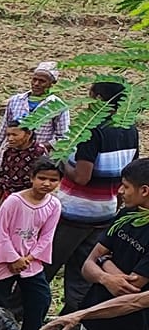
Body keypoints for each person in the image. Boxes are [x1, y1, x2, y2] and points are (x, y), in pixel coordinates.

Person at [55, 79, 137, 314]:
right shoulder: (129, 128)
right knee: (82, 267)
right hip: (106, 209)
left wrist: (60, 160)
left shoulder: (92, 130)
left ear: (100, 100)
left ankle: (18, 312)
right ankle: (74, 314)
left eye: (90, 97)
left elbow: (82, 176)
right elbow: (131, 170)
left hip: (75, 211)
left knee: (47, 263)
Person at [71, 157, 149, 330]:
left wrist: (103, 263)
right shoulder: (126, 215)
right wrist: (105, 274)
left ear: (144, 190)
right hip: (93, 320)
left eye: (125, 186)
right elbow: (88, 263)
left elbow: (131, 287)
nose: (120, 192)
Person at [0, 158, 64, 330]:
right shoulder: (13, 202)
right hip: (3, 261)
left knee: (40, 299)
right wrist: (13, 258)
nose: (46, 183)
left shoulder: (54, 205)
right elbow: (1, 233)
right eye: (42, 178)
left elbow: (47, 236)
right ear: (31, 178)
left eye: (53, 180)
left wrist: (29, 257)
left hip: (30, 263)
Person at [0, 60, 71, 175]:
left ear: (52, 84)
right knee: (0, 184)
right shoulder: (16, 100)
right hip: (11, 153)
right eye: (34, 79)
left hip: (37, 158)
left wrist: (38, 147)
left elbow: (63, 137)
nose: (36, 84)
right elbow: (4, 126)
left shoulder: (58, 106)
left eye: (42, 81)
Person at [0, 121, 53, 243]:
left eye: (14, 135)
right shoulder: (8, 151)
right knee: (3, 234)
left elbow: (41, 180)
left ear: (28, 134)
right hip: (8, 199)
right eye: (8, 135)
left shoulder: (39, 152)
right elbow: (2, 178)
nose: (10, 139)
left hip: (29, 202)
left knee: (23, 236)